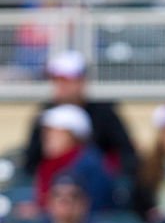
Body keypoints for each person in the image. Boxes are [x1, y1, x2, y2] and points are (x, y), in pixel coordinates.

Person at [23, 50, 138, 180]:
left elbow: (126, 155)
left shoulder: (103, 113)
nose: (60, 86)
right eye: (56, 80)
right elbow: (31, 161)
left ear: (81, 81)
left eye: (66, 80)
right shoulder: (44, 114)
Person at [33, 105, 114, 213]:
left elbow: (94, 207)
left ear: (74, 136)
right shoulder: (48, 165)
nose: (47, 137)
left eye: (56, 132)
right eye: (47, 132)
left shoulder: (89, 164)